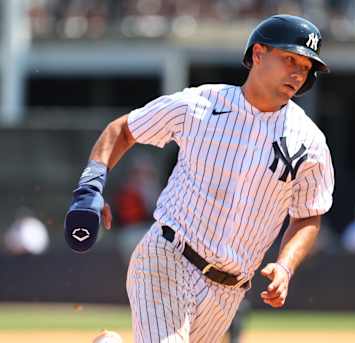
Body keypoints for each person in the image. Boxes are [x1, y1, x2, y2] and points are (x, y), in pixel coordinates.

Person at [64, 14, 334, 342]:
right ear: (259, 54)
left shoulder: (310, 141)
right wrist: (89, 188)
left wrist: (286, 266)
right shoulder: (201, 105)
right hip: (169, 257)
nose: (297, 72)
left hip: (229, 290)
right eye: (289, 59)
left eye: (306, 67)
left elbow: (308, 215)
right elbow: (122, 130)